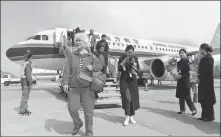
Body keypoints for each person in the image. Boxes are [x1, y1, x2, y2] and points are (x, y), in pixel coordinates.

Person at [63, 33, 103, 136]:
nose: (77, 42)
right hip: (74, 87)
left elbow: (100, 66)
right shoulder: (72, 56)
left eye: (79, 40)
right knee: (72, 108)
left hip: (87, 88)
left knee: (88, 111)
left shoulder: (92, 56)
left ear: (85, 43)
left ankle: (89, 131)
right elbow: (67, 70)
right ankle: (78, 124)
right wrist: (65, 82)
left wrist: (92, 67)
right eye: (76, 41)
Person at [118, 45, 140, 126]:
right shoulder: (122, 58)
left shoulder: (135, 58)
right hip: (124, 80)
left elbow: (138, 69)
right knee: (127, 98)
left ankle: (132, 116)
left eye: (131, 52)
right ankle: (127, 116)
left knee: (133, 98)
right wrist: (124, 61)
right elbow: (119, 68)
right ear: (125, 51)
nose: (130, 54)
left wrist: (134, 64)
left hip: (133, 80)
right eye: (128, 52)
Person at [197, 43, 216, 121]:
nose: (199, 50)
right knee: (202, 99)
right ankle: (204, 115)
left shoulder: (209, 58)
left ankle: (210, 117)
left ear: (204, 49)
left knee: (208, 100)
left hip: (207, 82)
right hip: (202, 81)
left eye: (200, 49)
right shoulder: (203, 58)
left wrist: (200, 75)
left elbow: (207, 71)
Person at [176, 49, 197, 116]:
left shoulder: (188, 61)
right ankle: (182, 109)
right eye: (180, 53)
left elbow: (188, 70)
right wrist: (174, 74)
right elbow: (178, 70)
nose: (181, 54)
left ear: (185, 54)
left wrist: (182, 75)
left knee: (187, 95)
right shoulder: (179, 62)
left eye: (182, 53)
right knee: (180, 95)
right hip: (180, 80)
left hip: (185, 79)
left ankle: (193, 109)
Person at [19, 50, 33, 116]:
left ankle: (24, 109)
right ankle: (22, 111)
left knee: (25, 96)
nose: (32, 59)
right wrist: (30, 83)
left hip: (22, 80)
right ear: (29, 58)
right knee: (25, 96)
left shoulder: (24, 63)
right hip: (26, 81)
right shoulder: (28, 64)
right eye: (31, 57)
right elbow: (28, 75)